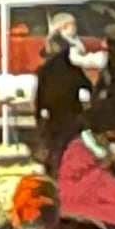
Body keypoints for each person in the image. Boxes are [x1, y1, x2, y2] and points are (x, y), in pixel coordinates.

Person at [31, 20, 91, 169]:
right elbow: (88, 87)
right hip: (71, 114)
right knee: (72, 147)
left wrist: (38, 116)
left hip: (55, 116)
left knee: (55, 148)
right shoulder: (72, 70)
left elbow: (39, 98)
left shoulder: (45, 71)